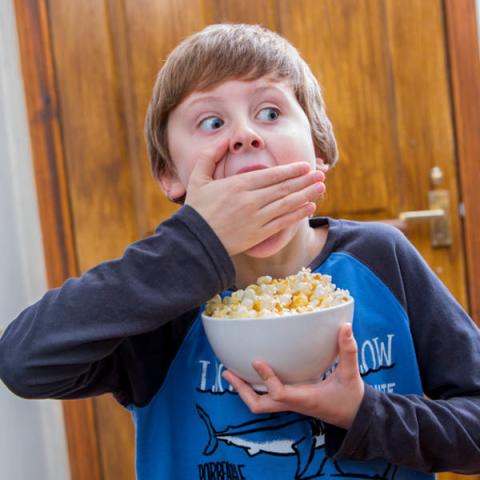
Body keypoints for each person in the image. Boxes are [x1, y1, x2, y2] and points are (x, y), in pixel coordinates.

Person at [1, 23, 479, 480]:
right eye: (211, 121)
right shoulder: (156, 295)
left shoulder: (382, 258)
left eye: (270, 113)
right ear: (170, 176)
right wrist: (194, 242)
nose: (244, 135)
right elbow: (24, 363)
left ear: (318, 148)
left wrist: (363, 411)